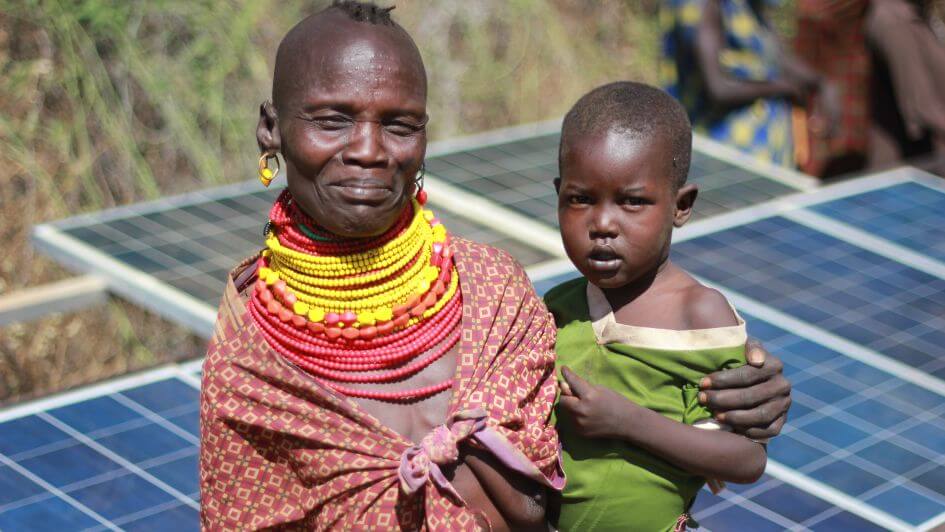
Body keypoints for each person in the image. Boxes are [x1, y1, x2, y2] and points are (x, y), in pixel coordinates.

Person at [199, 2, 792, 530]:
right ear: (271, 129)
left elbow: (640, 373)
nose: (369, 150)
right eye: (332, 119)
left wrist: (744, 384)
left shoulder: (493, 295)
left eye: (399, 125)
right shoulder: (250, 353)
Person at [546, 82, 766, 531]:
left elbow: (745, 459)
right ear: (558, 195)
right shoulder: (557, 307)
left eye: (632, 201)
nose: (603, 223)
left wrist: (627, 421)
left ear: (680, 206)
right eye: (580, 199)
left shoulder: (699, 315)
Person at [660, 0, 840, 167]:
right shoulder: (701, 7)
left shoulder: (743, 5)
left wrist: (821, 83)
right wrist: (783, 87)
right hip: (729, 154)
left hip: (766, 157)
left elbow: (774, 55)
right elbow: (719, 89)